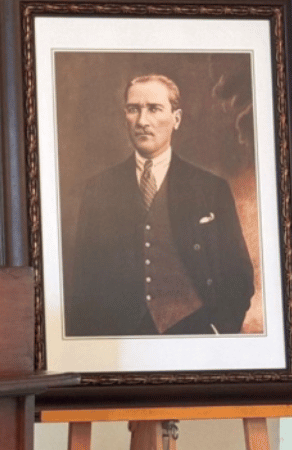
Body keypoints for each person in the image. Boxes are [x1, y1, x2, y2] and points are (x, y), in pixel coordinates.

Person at [64, 74, 254, 337]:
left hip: (193, 332)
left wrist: (219, 329)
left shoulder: (211, 189)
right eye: (133, 109)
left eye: (154, 109)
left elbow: (238, 274)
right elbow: (83, 283)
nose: (142, 121)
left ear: (176, 119)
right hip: (120, 338)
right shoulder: (99, 189)